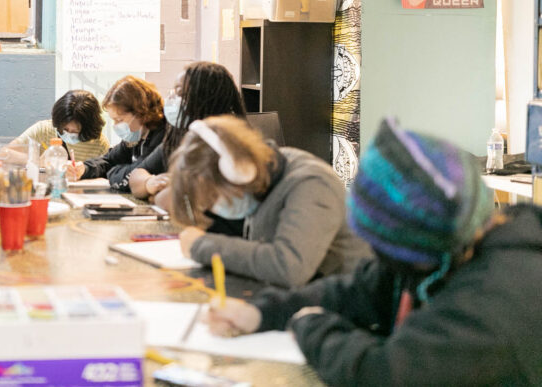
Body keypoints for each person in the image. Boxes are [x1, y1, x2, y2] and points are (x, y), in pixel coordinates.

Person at [202, 118, 542, 386]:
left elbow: (384, 374)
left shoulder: (497, 305)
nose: (378, 257)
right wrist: (263, 313)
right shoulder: (446, 246)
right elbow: (358, 290)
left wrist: (310, 324)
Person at [170, 115, 369, 288]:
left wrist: (201, 246)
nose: (213, 208)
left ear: (239, 170)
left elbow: (289, 266)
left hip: (345, 312)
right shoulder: (263, 181)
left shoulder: (312, 183)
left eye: (213, 198)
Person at [126, 61, 246, 199]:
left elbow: (170, 200)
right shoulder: (177, 136)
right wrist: (149, 183)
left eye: (179, 92)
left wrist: (154, 195)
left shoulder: (222, 144)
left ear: (203, 97)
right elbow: (137, 175)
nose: (171, 98)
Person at [69, 76, 167, 186]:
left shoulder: (164, 137)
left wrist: (113, 173)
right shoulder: (134, 137)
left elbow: (138, 172)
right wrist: (84, 168)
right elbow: (109, 160)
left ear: (141, 112)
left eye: (119, 120)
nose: (115, 125)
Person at [13, 90, 110, 163]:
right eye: (65, 129)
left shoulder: (99, 144)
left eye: (76, 131)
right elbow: (5, 154)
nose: (69, 134)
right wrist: (38, 161)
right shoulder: (43, 130)